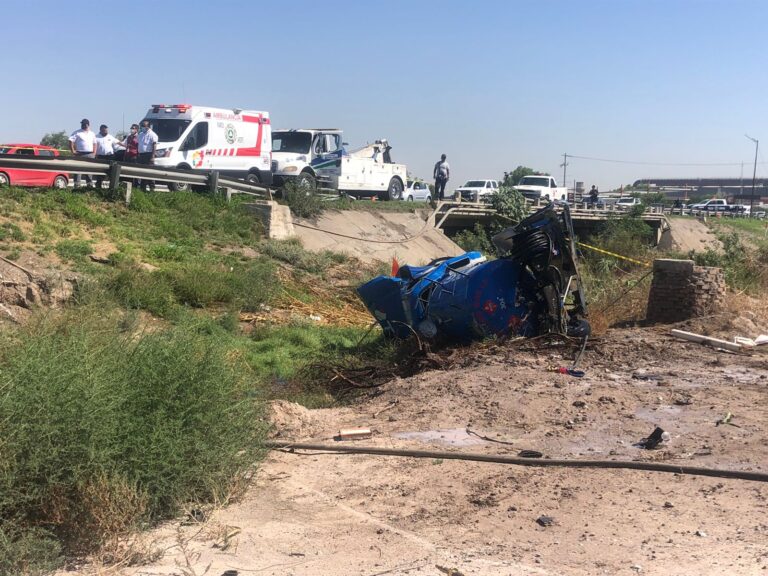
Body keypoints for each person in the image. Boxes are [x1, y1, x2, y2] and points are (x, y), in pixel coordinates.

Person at [68, 118, 96, 187]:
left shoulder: (92, 133)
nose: (82, 125)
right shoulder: (77, 132)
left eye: (84, 124)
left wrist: (94, 153)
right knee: (78, 170)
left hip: (90, 154)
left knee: (89, 170)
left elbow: (95, 143)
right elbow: (70, 141)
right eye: (82, 124)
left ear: (88, 125)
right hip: (80, 154)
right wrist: (73, 151)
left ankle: (89, 185)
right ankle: (77, 185)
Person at [137, 119, 158, 191]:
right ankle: (143, 189)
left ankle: (152, 188)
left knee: (150, 172)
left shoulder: (152, 134)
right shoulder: (140, 134)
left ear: (148, 127)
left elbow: (154, 145)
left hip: (149, 155)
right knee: (142, 172)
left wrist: (152, 156)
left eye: (144, 126)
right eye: (142, 126)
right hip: (141, 155)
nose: (142, 127)